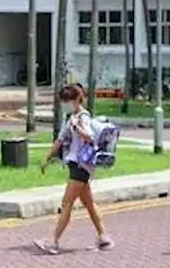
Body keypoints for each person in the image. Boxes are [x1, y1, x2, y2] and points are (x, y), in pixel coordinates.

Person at [33, 84, 114, 255]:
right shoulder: (70, 118)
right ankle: (103, 236)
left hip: (80, 166)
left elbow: (90, 137)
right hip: (75, 165)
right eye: (63, 101)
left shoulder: (82, 117)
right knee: (89, 204)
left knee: (67, 203)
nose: (65, 104)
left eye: (67, 100)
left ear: (77, 99)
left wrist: (77, 127)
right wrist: (47, 158)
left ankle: (53, 241)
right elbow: (60, 140)